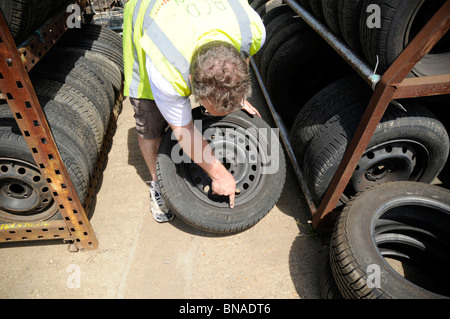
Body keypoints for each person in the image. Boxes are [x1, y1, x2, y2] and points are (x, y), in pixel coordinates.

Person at [122, 0, 266, 222]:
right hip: (147, 12)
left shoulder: (252, 29)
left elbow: (243, 53)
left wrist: (238, 95)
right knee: (149, 119)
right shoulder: (166, 67)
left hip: (197, 17)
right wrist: (219, 175)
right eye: (210, 108)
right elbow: (184, 130)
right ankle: (158, 184)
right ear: (191, 81)